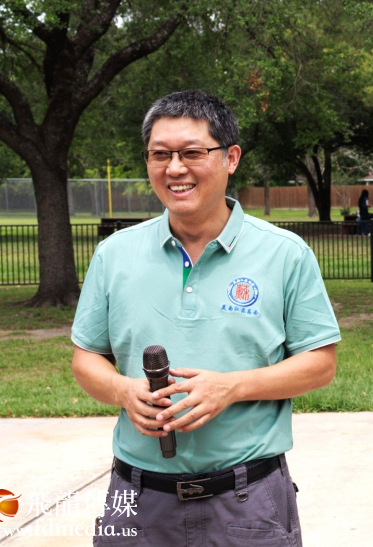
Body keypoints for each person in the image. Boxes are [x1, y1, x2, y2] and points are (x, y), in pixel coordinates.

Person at [70, 90, 340, 546]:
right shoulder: (114, 254)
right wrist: (123, 391)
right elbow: (86, 358)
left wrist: (231, 387)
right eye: (160, 155)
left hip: (247, 499)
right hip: (137, 497)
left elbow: (321, 364)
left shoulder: (284, 254)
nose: (175, 168)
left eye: (192, 153)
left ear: (231, 158)